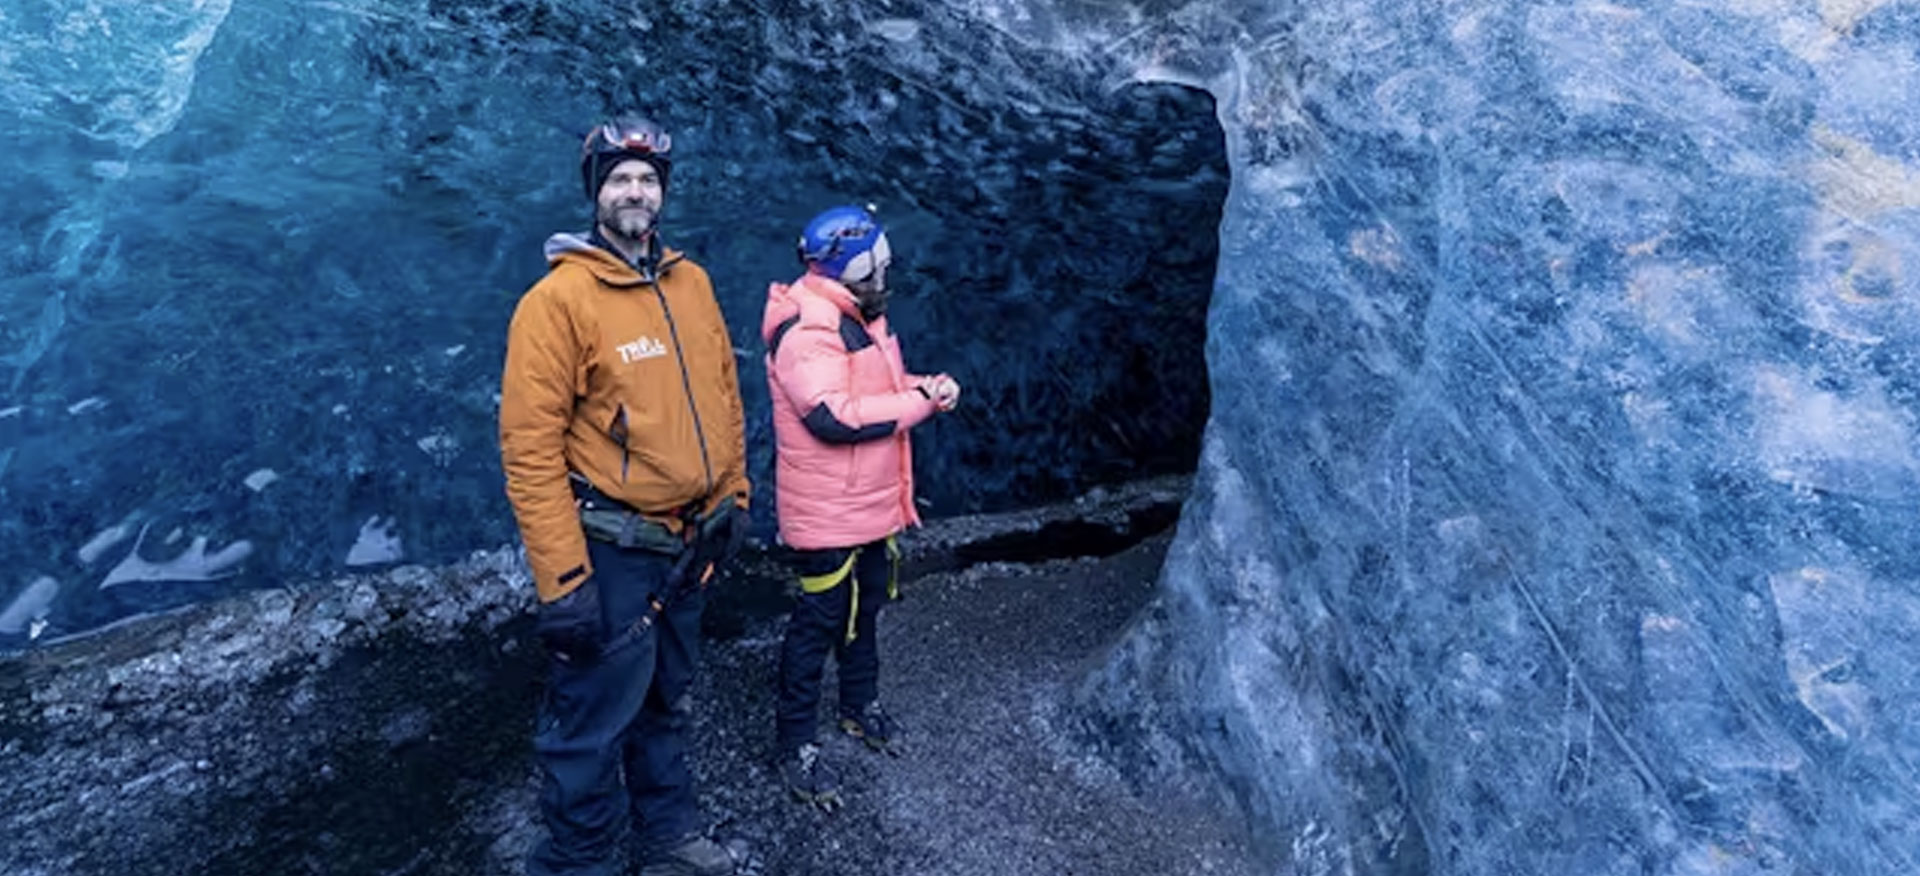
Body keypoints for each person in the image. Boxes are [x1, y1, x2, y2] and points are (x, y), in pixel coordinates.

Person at [499, 113, 749, 876]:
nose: (635, 191)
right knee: (588, 725)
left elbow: (725, 397)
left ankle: (667, 837)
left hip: (689, 541)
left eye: (647, 179)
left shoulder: (692, 283)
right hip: (611, 550)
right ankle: (579, 863)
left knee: (666, 699)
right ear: (595, 193)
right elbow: (530, 450)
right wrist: (563, 581)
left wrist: (733, 497)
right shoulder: (557, 302)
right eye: (619, 180)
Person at [759, 205, 960, 811]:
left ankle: (858, 704)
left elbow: (871, 392)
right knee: (818, 623)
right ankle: (795, 744)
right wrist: (921, 403)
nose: (887, 277)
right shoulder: (808, 329)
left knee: (866, 604)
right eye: (879, 268)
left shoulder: (856, 313)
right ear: (851, 271)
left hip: (865, 502)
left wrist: (925, 386)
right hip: (828, 512)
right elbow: (833, 417)